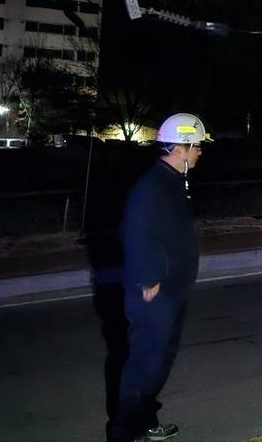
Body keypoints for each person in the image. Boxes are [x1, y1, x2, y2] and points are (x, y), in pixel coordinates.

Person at [108, 113, 209, 442]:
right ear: (181, 147)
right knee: (144, 366)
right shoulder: (153, 185)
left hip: (172, 289)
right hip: (155, 293)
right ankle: (123, 435)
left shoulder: (174, 181)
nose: (200, 152)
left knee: (159, 364)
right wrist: (148, 280)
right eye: (197, 146)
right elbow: (137, 233)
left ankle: (145, 421)